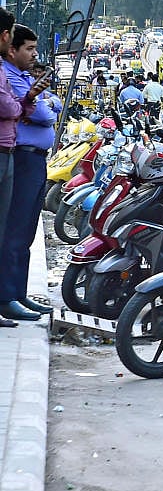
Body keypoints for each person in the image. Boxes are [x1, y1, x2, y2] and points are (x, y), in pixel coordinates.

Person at [1, 26, 60, 322]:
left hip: (37, 160)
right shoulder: (8, 74)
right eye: (29, 49)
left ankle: (18, 292)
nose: (34, 55)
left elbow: (53, 105)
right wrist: (44, 106)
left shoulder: (25, 77)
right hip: (22, 157)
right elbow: (42, 114)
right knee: (14, 229)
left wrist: (45, 104)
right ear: (12, 49)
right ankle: (7, 295)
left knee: (26, 232)